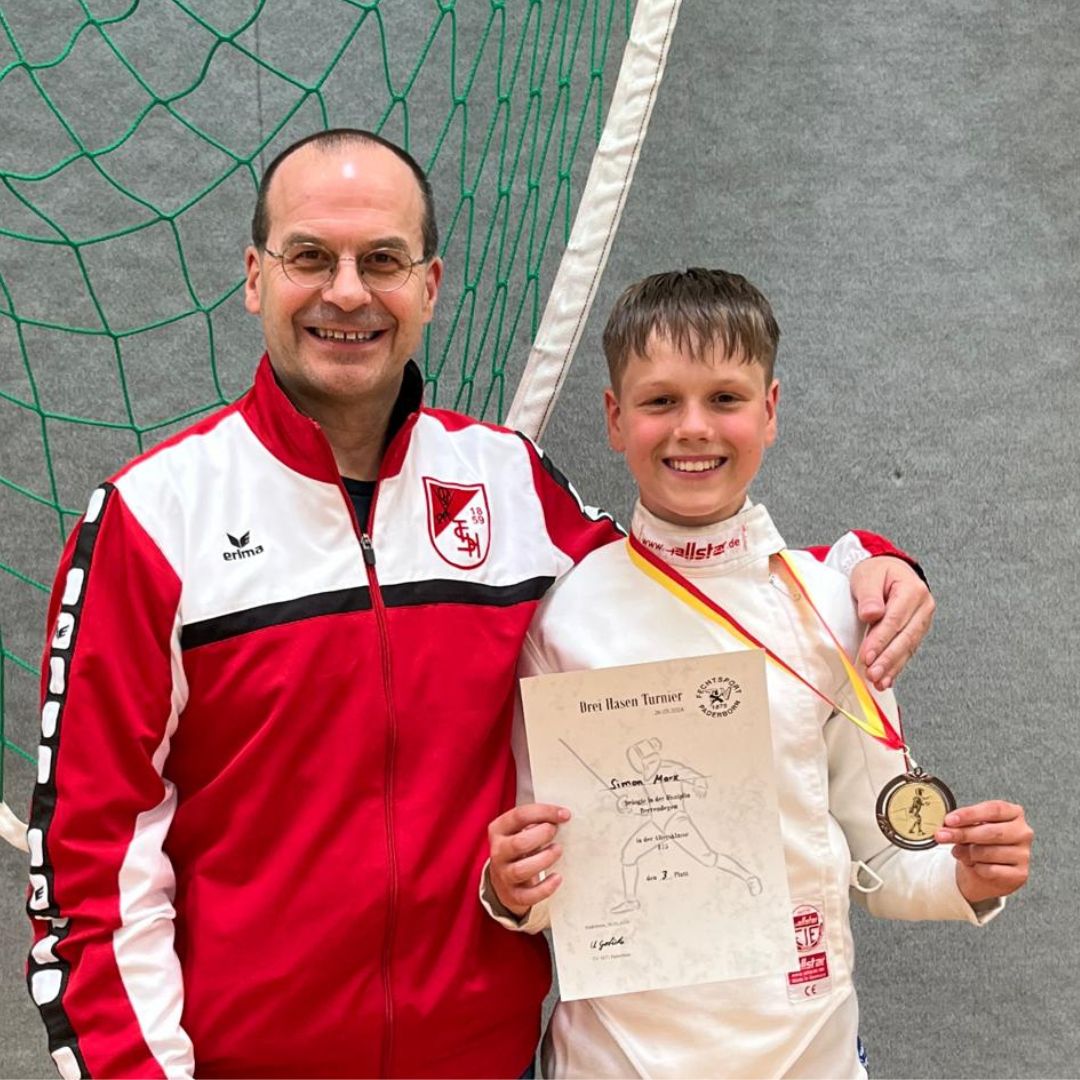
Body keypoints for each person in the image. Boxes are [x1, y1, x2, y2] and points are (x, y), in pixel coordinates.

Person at [25, 132, 934, 1079]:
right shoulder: (153, 519)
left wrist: (862, 566)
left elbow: (686, 580)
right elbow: (90, 863)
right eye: (311, 257)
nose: (347, 292)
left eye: (383, 260)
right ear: (255, 278)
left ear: (430, 286)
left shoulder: (507, 483)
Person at [485, 268, 1033, 1078]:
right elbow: (542, 880)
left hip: (807, 1055)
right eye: (660, 400)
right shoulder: (563, 620)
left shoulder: (833, 607)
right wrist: (511, 888)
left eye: (725, 399)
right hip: (614, 1060)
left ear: (770, 410)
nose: (693, 428)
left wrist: (968, 876)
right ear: (615, 418)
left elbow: (885, 860)